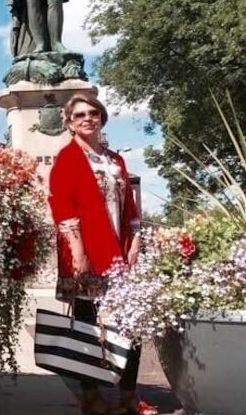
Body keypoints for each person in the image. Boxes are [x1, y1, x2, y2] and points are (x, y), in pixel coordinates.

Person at [47, 94, 156, 415]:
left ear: (101, 118)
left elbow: (130, 206)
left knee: (130, 321)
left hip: (118, 252)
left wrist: (135, 240)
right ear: (69, 122)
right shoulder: (67, 158)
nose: (87, 118)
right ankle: (91, 394)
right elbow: (62, 206)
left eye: (93, 113)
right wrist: (78, 251)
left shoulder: (115, 161)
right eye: (79, 114)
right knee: (87, 324)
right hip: (84, 252)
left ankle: (129, 394)